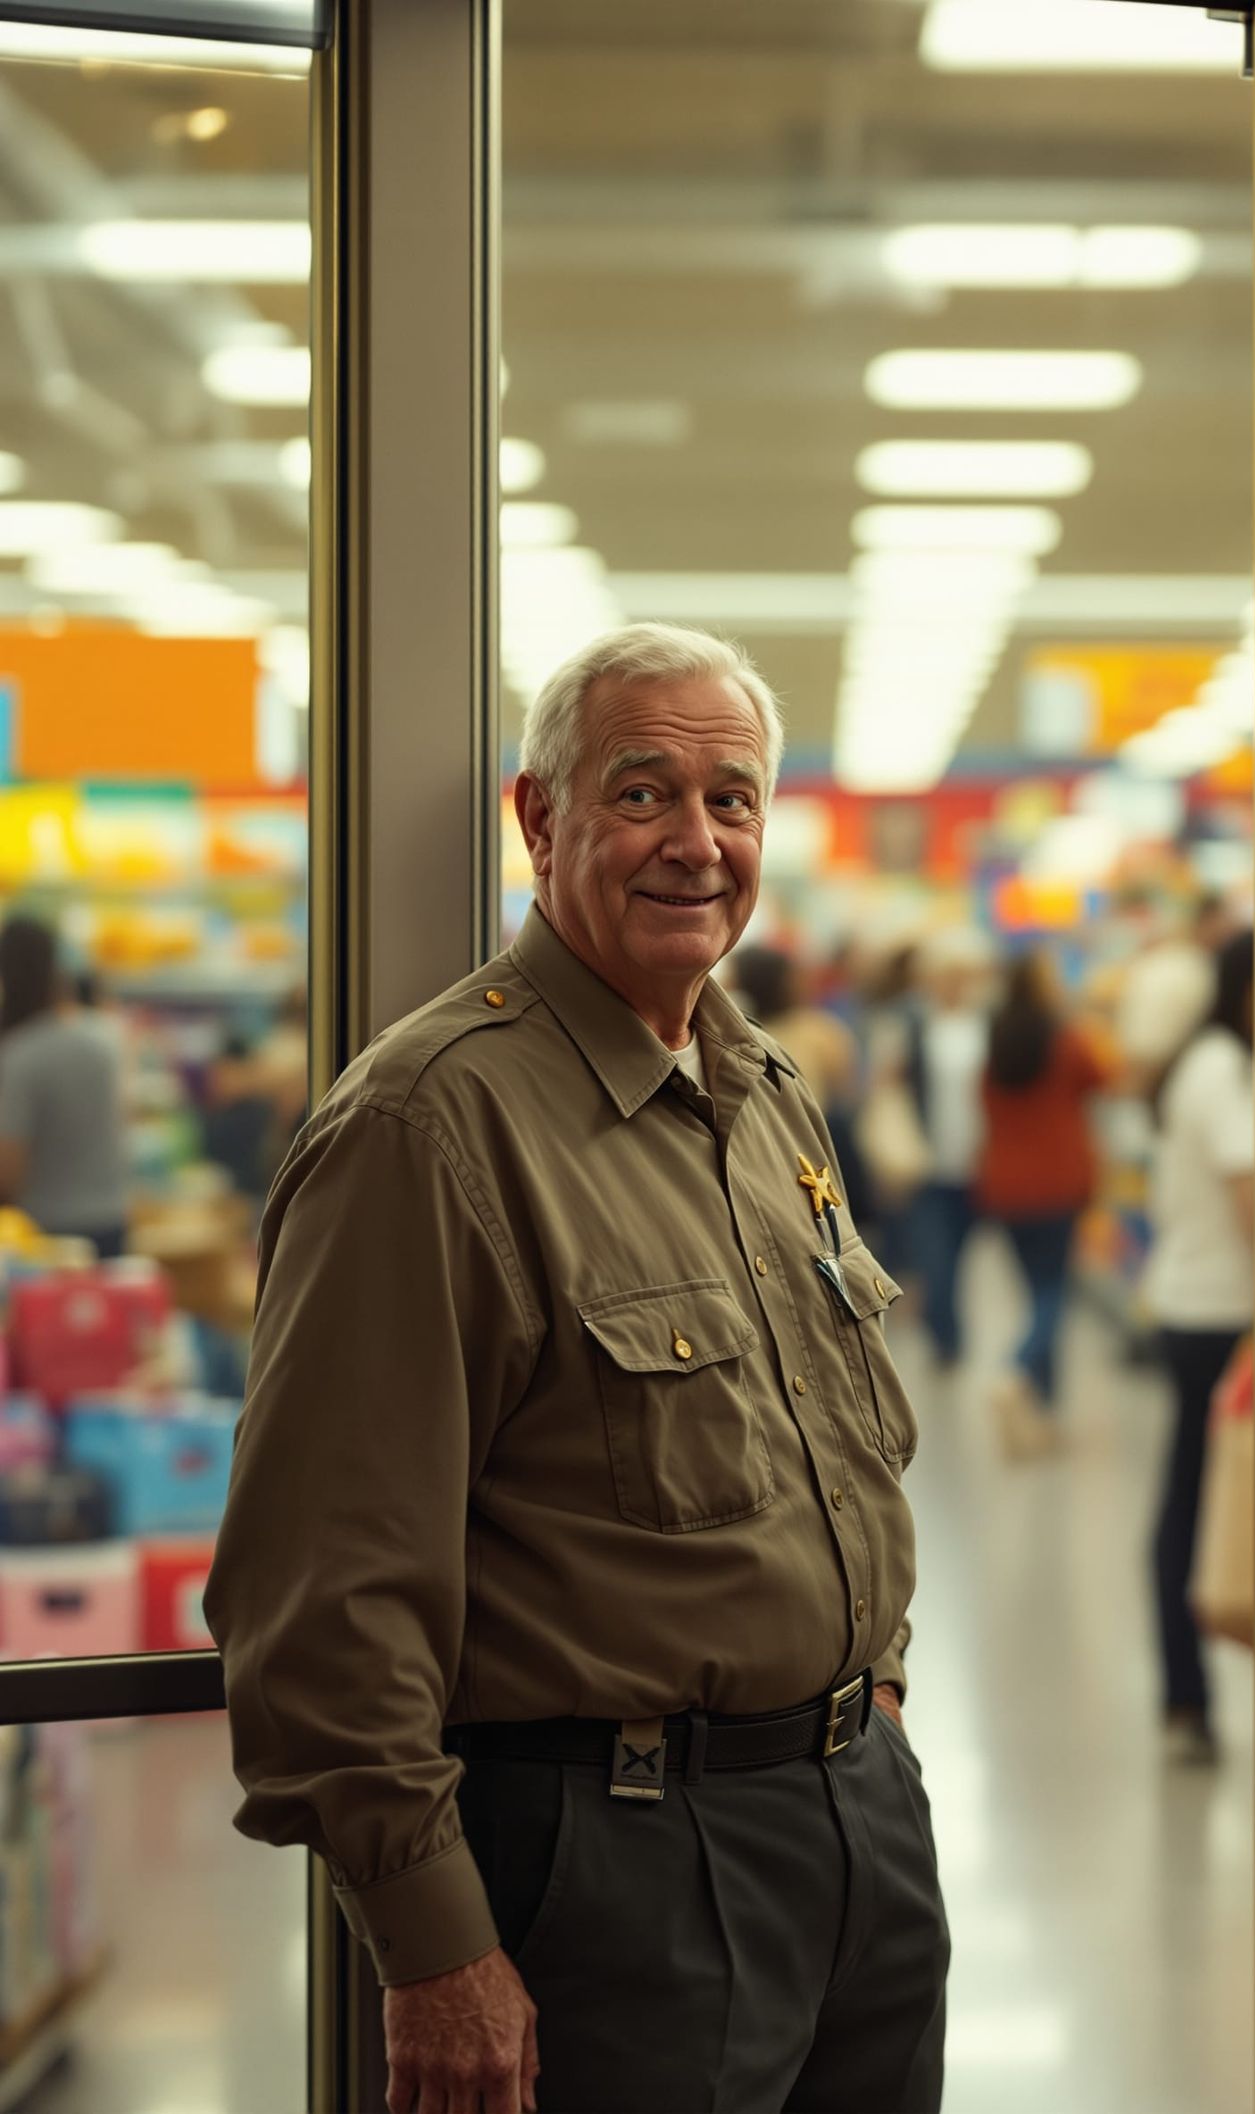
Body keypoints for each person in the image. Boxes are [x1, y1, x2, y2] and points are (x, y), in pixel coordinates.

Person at [204, 623, 948, 2114]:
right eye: (643, 792)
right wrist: (433, 1942)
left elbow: (832, 1452)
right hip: (620, 1866)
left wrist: (870, 1709)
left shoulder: (765, 1094)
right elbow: (326, 1588)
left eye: (732, 800)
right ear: (539, 818)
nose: (696, 841)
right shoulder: (429, 1126)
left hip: (856, 1822)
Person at [1143, 928, 1255, 1768]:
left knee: (1190, 1498)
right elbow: (1252, 1197)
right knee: (1192, 1504)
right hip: (1220, 1316)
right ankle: (1185, 1693)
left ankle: (1188, 1696)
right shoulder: (1222, 1067)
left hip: (1203, 1305)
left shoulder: (1208, 1060)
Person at [978, 948, 1108, 1459]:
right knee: (1053, 1294)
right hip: (1058, 1183)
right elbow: (1104, 1078)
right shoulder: (1066, 1039)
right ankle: (1016, 1371)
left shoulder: (996, 1042)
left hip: (1006, 1184)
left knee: (1035, 1293)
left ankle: (1046, 1413)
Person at [0, 916, 131, 1259]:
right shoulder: (104, 1038)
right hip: (111, 1216)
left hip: (45, 1230)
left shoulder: (20, 1055)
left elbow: (9, 1167)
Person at [733, 942, 872, 1223]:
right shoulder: (820, 1030)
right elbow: (848, 1090)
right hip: (813, 1151)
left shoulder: (733, 1031)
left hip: (753, 1153)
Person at [904, 929, 993, 1369]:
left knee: (960, 1260)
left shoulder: (986, 1027)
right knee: (936, 1261)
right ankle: (946, 1338)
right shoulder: (918, 1027)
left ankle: (949, 1330)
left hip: (977, 1163)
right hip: (929, 1163)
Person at [1115, 891, 1233, 1102]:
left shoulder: (1163, 960)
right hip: (1164, 1085)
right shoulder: (1191, 967)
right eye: (1224, 921)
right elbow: (1149, 1053)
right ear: (1207, 921)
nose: (1228, 930)